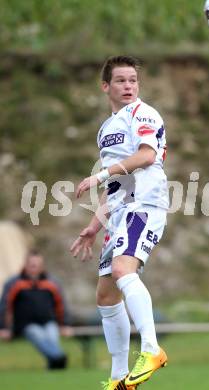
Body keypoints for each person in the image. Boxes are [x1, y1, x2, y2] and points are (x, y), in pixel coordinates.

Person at [70, 55, 169, 390]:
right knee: (106, 295)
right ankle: (118, 377)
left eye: (133, 80)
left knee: (123, 270)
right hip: (120, 210)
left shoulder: (144, 113)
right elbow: (115, 187)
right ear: (106, 86)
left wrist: (98, 174)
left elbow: (146, 156)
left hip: (144, 204)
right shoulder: (106, 129)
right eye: (121, 81)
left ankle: (152, 349)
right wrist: (94, 226)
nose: (129, 86)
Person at [0, 250, 69, 369]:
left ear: (42, 266)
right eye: (32, 265)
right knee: (38, 335)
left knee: (52, 337)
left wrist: (64, 324)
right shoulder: (14, 283)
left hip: (48, 321)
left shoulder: (51, 282)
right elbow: (5, 306)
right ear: (25, 265)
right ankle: (60, 357)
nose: (34, 268)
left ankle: (54, 364)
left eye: (37, 265)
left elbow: (61, 305)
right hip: (25, 325)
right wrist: (4, 328)